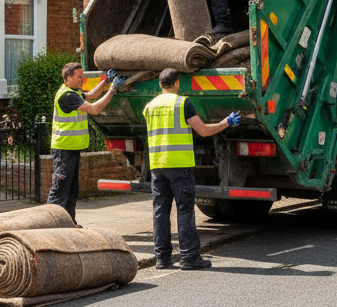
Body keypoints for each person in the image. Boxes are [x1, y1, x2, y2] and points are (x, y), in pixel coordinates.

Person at [143, 68, 240, 270]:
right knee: (184, 209)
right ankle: (189, 257)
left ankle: (162, 259)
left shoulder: (150, 106)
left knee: (160, 211)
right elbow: (203, 130)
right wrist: (226, 122)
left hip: (157, 165)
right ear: (177, 83)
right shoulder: (182, 103)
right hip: (179, 164)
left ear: (160, 85)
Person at [50, 62, 126, 223]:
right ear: (68, 78)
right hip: (63, 150)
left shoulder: (73, 92)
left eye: (82, 76)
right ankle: (49, 225)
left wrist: (105, 81)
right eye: (79, 76)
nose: (82, 79)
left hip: (71, 149)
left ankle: (69, 224)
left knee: (72, 191)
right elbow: (94, 109)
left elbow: (91, 95)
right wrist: (112, 90)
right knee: (60, 191)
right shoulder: (67, 96)